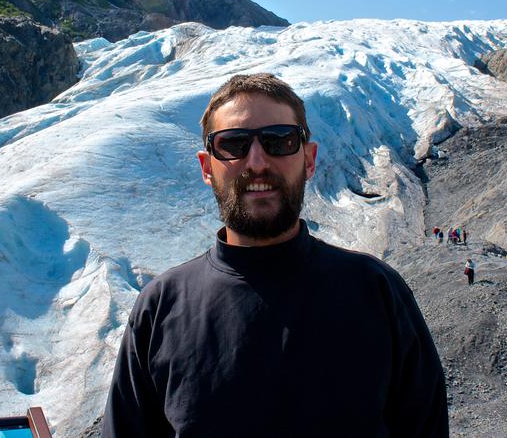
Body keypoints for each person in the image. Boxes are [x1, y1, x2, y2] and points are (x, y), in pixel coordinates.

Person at [102, 73, 449, 437]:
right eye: (233, 144)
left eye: (279, 141)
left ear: (309, 159)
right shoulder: (160, 308)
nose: (257, 162)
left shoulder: (376, 291)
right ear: (207, 167)